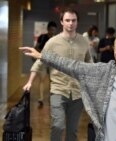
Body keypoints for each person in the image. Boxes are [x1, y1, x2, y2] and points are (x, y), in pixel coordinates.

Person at [22, 8, 93, 141]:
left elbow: (89, 61)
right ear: (62, 22)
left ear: (77, 22)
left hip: (78, 92)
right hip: (58, 89)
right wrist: (30, 82)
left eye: (73, 20)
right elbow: (40, 62)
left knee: (72, 130)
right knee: (58, 125)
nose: (70, 23)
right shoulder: (52, 42)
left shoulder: (84, 42)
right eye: (67, 20)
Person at [33, 21, 57, 107]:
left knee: (53, 81)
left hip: (52, 62)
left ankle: (52, 97)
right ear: (48, 29)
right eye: (51, 30)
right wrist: (43, 54)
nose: (52, 32)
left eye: (54, 30)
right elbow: (36, 48)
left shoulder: (56, 39)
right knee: (42, 80)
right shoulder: (42, 37)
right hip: (43, 61)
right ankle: (41, 98)